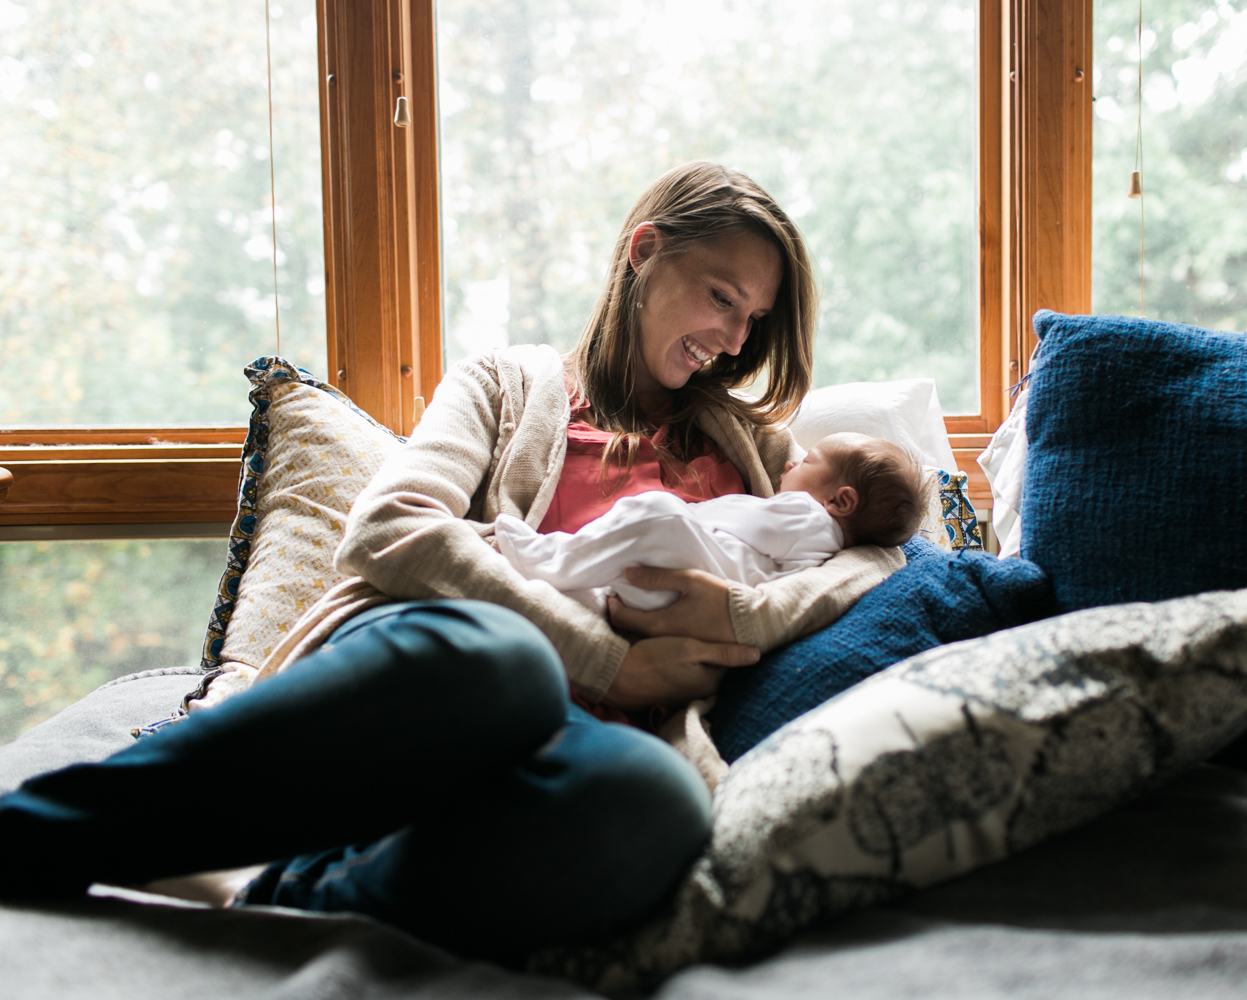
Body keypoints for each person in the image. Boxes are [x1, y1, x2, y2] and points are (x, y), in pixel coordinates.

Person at [0, 162, 906, 964]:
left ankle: (283, 892)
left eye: (753, 318)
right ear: (644, 250)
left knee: (657, 803)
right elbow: (392, 529)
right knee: (501, 659)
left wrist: (730, 620)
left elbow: (874, 557)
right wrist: (612, 661)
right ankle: (41, 831)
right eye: (722, 298)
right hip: (446, 678)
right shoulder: (505, 385)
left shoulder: (758, 453)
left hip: (578, 744)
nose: (738, 340)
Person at [491, 432, 928, 615]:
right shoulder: (824, 538)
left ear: (841, 501)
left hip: (704, 580)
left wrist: (689, 513)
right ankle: (562, 579)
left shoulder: (808, 518)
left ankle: (548, 560)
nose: (793, 459)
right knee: (636, 543)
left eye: (808, 461)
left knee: (659, 514)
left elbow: (733, 515)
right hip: (676, 588)